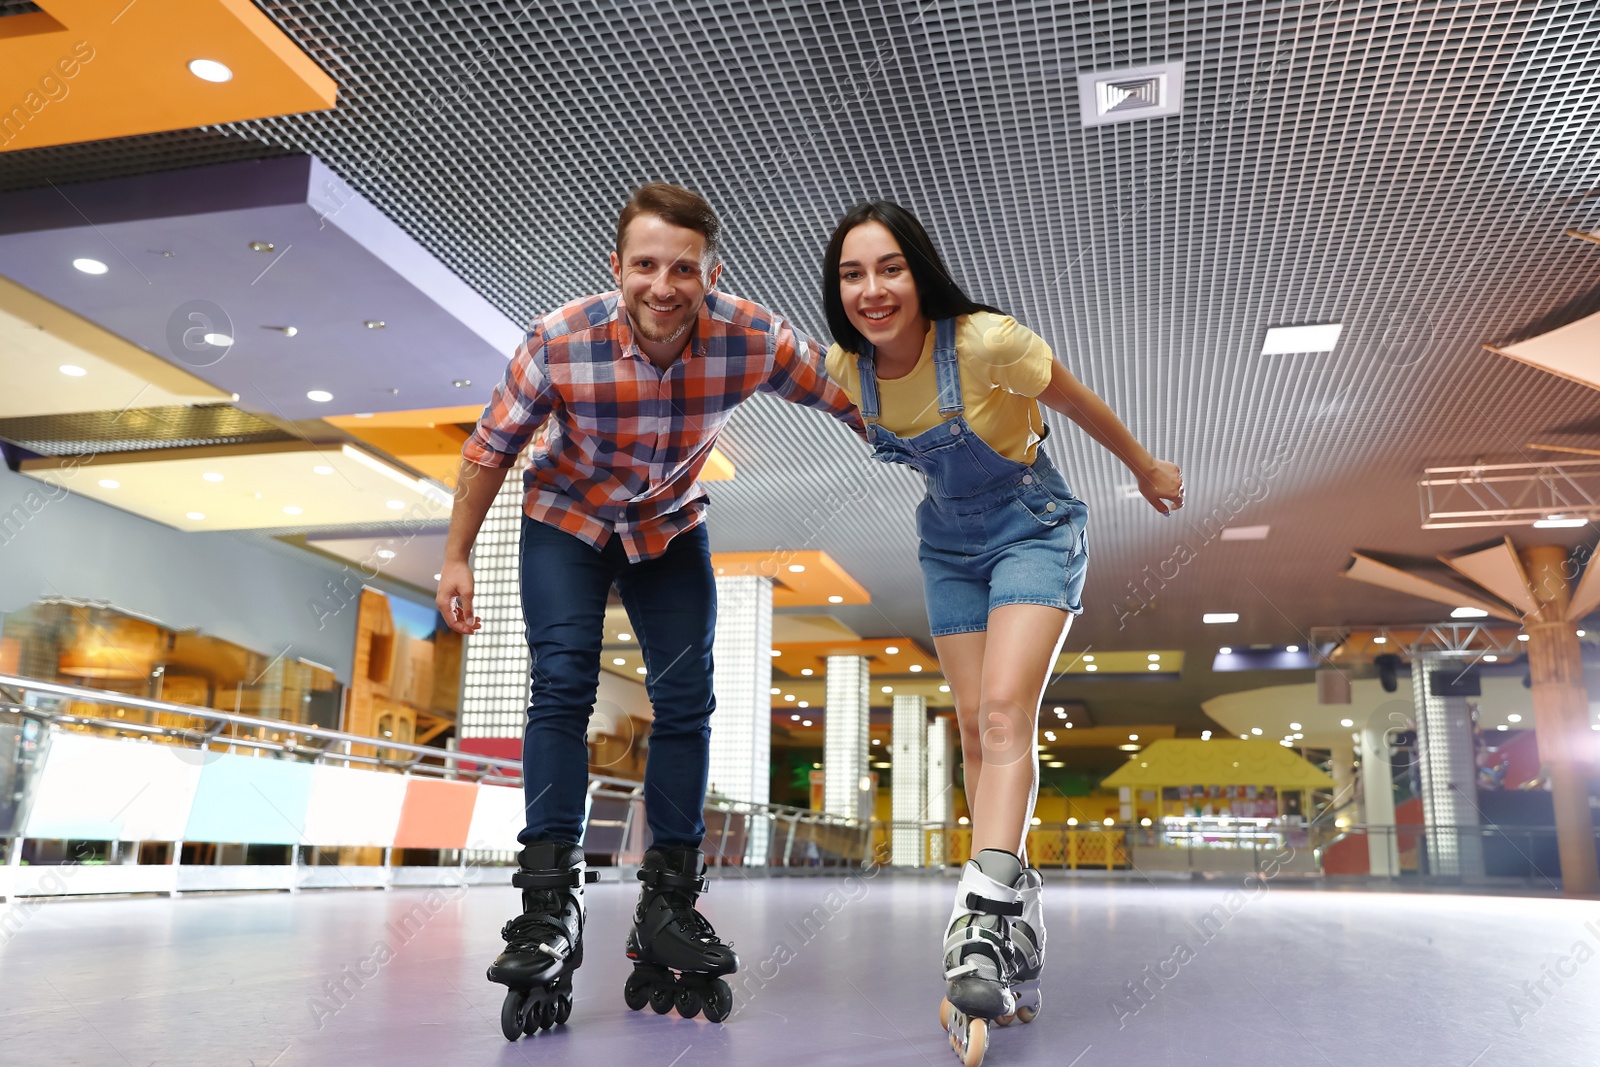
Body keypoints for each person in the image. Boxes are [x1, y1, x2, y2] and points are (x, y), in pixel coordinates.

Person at [437, 183, 863, 1039]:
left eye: (683, 269)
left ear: (711, 273)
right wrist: (455, 555)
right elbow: (490, 449)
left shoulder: (750, 335)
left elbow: (849, 393)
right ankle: (550, 904)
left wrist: (941, 443)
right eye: (645, 265)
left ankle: (668, 901)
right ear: (616, 266)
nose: (662, 286)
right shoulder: (558, 342)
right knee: (561, 686)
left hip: (669, 524)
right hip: (566, 519)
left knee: (688, 700)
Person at [820, 201, 1182, 1062]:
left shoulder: (984, 341)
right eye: (852, 274)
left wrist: (1144, 466)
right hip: (946, 543)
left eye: (890, 267)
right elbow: (765, 370)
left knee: (1003, 712)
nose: (873, 289)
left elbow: (1078, 400)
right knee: (977, 729)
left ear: (920, 271)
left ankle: (980, 921)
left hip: (1034, 526)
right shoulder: (845, 370)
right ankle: (1019, 914)